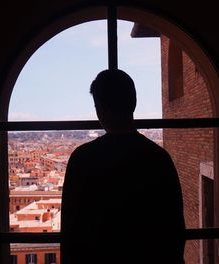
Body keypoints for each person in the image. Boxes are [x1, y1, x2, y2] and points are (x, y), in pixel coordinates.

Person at [61, 69, 185, 263]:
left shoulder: (82, 159)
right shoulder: (158, 159)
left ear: (99, 108)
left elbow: (71, 236)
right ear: (133, 103)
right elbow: (173, 232)